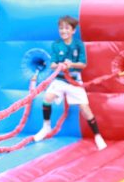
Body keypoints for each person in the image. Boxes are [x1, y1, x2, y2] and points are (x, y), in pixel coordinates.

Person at [33, 15, 107, 151]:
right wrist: (60, 65)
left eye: (67, 28)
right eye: (61, 28)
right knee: (47, 98)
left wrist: (71, 64)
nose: (63, 31)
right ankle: (46, 126)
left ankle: (97, 135)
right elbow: (52, 65)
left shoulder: (78, 44)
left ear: (73, 30)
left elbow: (83, 64)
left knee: (85, 108)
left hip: (74, 81)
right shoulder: (56, 44)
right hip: (60, 80)